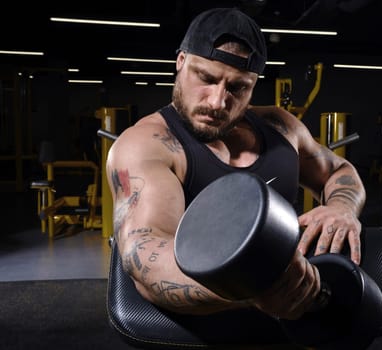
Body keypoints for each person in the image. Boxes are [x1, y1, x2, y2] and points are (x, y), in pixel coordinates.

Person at [106, 7, 366, 321]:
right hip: (205, 319)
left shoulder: (280, 127)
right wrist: (252, 287)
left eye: (237, 87)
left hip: (292, 308)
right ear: (181, 62)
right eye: (206, 78)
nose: (218, 102)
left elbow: (338, 171)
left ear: (254, 84)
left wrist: (342, 208)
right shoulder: (147, 144)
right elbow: (145, 255)